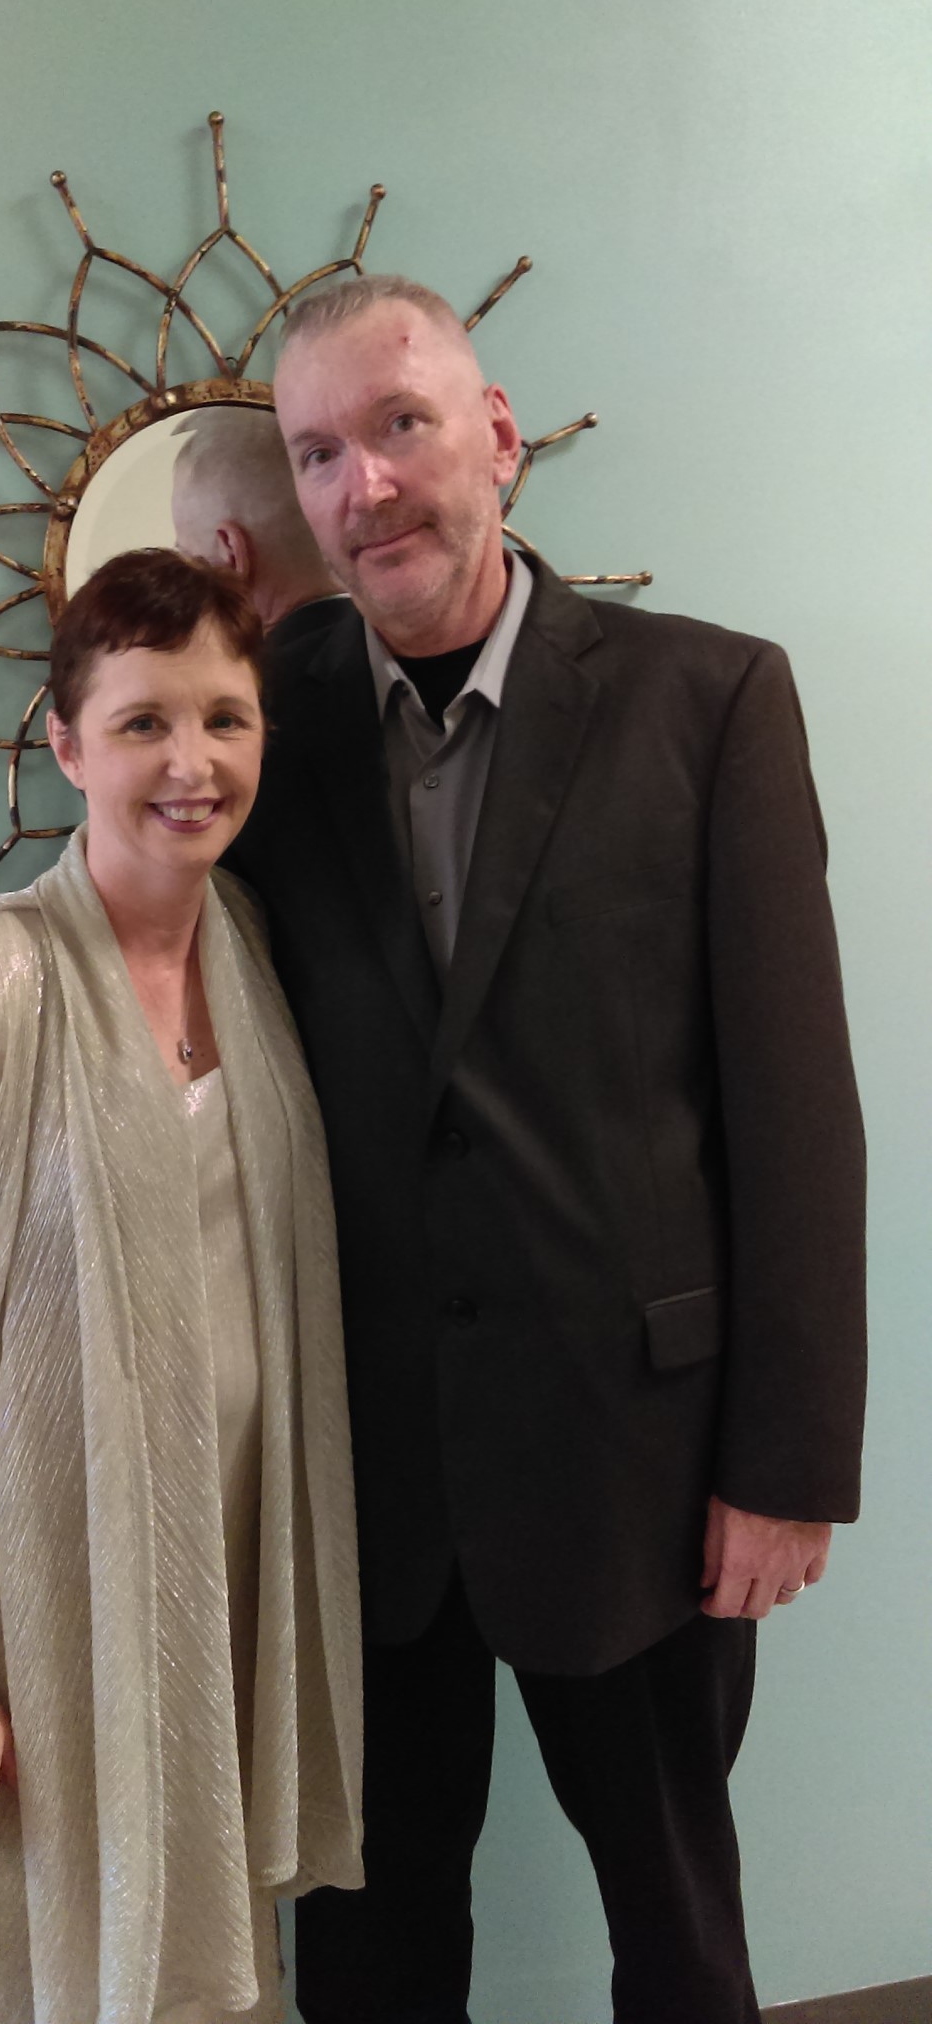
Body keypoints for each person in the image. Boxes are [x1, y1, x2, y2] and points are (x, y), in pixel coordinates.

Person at [223, 275, 868, 2024]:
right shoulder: (261, 713)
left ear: (497, 434)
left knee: (676, 1926)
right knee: (369, 1944)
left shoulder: (709, 698)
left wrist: (788, 1461)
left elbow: (794, 1103)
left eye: (400, 425)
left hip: (641, 1458)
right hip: (366, 1470)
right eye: (317, 454)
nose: (364, 484)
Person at [0, 549, 362, 2024]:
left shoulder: (249, 951)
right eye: (142, 722)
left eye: (224, 718)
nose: (191, 763)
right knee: (19, 1976)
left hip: (199, 1581)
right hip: (19, 1618)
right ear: (66, 744)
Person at [171, 408, 349, 661]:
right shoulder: (395, 645)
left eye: (189, 558)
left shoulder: (255, 684)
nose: (186, 583)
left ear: (232, 555)